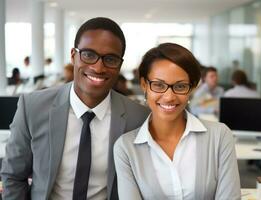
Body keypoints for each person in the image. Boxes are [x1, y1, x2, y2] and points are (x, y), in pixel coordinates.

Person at [1, 17, 149, 200]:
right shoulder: (32, 107)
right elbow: (14, 176)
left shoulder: (139, 118)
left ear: (119, 64)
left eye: (110, 59)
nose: (98, 67)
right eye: (88, 54)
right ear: (73, 56)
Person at [114, 43, 241, 200]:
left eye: (180, 86)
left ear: (192, 88)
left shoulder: (220, 136)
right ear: (144, 85)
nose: (169, 97)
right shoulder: (125, 148)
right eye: (159, 85)